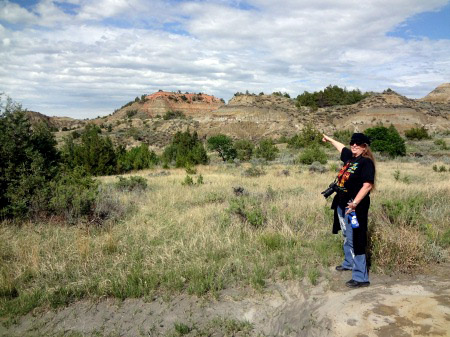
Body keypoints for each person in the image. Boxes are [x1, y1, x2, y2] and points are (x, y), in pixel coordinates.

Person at [322, 132, 376, 288]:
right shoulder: (350, 158)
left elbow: (367, 185)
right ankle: (349, 262)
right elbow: (341, 148)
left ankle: (360, 277)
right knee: (347, 233)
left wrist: (355, 203)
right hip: (341, 203)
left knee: (357, 237)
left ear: (364, 147)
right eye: (353, 142)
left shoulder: (366, 162)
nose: (354, 145)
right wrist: (329, 139)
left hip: (354, 208)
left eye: (358, 143)